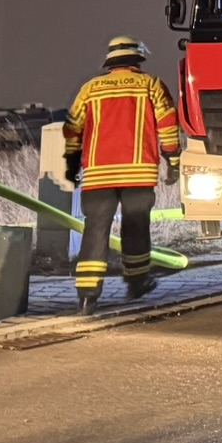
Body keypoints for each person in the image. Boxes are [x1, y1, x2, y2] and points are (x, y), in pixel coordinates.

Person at [63, 36, 181, 314]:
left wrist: (72, 164)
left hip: (98, 175)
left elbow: (72, 128)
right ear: (137, 60)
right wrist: (173, 160)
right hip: (138, 173)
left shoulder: (90, 88)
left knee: (95, 230)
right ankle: (137, 282)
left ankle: (87, 295)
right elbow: (167, 124)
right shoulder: (150, 84)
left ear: (110, 62)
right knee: (135, 227)